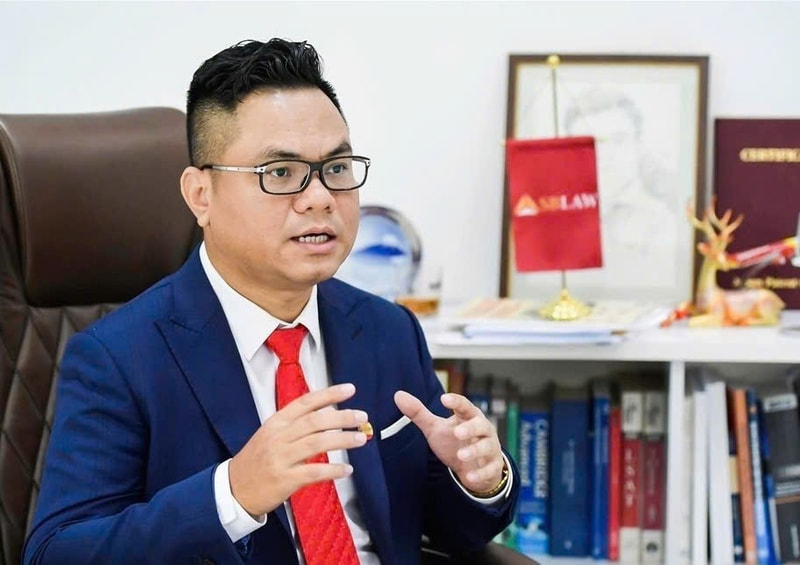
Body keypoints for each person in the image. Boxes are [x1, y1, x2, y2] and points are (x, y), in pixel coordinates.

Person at [23, 38, 518, 564]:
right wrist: (234, 493)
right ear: (200, 196)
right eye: (280, 173)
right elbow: (57, 553)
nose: (320, 198)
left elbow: (443, 532)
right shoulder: (118, 357)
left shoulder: (386, 329)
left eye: (337, 167)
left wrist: (478, 480)